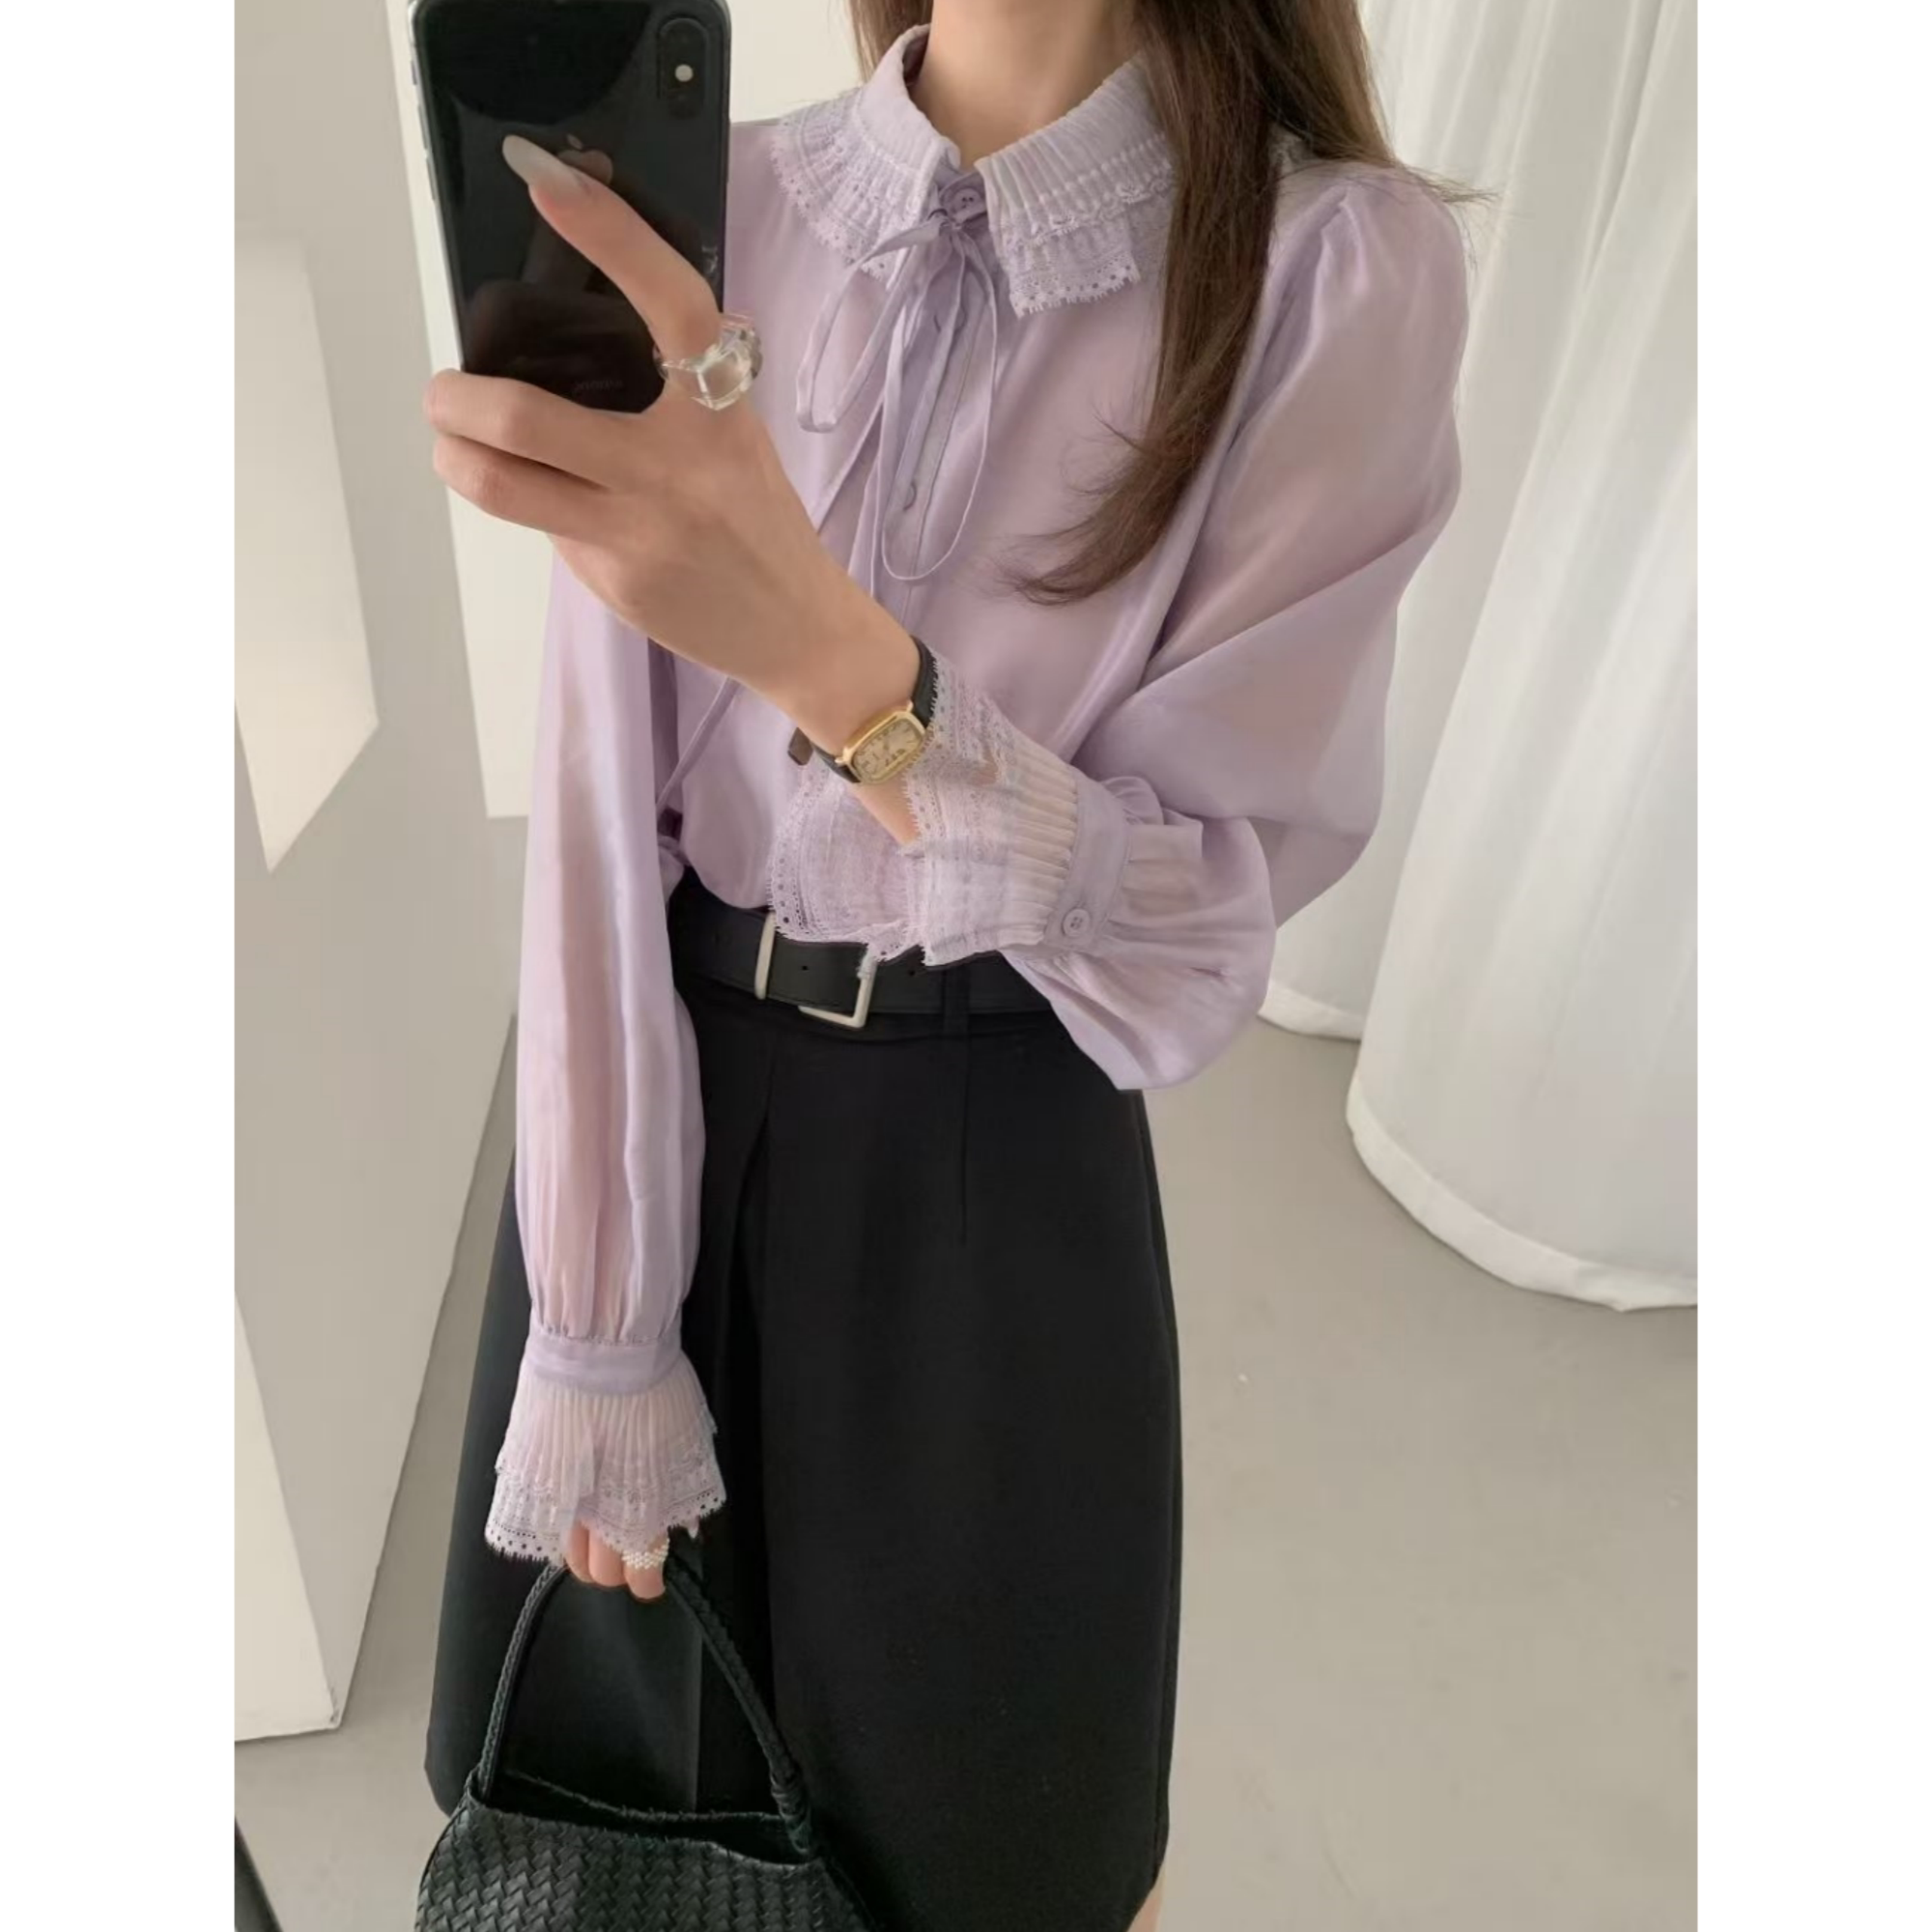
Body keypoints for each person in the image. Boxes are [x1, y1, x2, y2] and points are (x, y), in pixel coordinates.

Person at [422, 4, 1466, 1928]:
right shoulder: (720, 203)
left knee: (1003, 1857)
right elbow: (591, 815)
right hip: (651, 1106)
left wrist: (836, 666)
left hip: (1000, 1154)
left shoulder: (1333, 273)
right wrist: (598, 1319)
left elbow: (1183, 953)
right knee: (608, 1823)